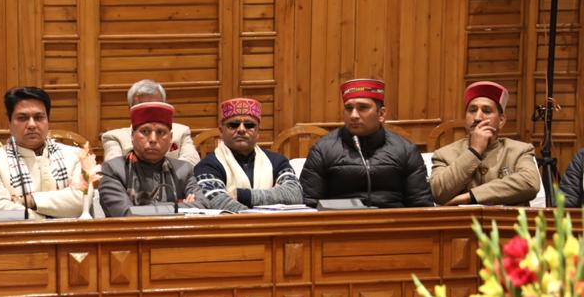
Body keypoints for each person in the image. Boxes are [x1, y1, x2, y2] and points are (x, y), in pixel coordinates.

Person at [299, 78, 434, 208]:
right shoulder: (323, 149)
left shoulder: (405, 150)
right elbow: (308, 205)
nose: (354, 115)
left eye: (362, 108)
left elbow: (421, 205)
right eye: (349, 108)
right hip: (339, 226)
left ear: (381, 114)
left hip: (392, 226)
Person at [0, 86, 85, 220]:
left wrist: (29, 201)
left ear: (48, 121)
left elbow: (81, 202)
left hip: (69, 237)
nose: (32, 125)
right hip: (18, 238)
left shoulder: (76, 156)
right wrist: (51, 218)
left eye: (39, 117)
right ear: (9, 123)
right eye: (22, 118)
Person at [429, 82, 540, 206]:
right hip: (462, 224)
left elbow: (530, 183)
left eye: (486, 111)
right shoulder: (444, 154)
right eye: (472, 110)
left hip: (507, 223)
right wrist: (474, 151)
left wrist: (469, 197)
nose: (477, 117)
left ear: (501, 121)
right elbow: (437, 192)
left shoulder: (519, 150)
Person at [99, 101, 210, 217]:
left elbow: (203, 206)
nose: (153, 139)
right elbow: (125, 213)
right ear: (132, 136)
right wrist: (179, 206)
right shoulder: (113, 170)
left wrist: (143, 209)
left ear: (171, 138)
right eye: (145, 131)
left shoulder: (183, 170)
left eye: (160, 132)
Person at [194, 97, 303, 209]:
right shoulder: (207, 166)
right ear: (221, 131)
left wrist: (241, 195)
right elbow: (217, 202)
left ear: (258, 131)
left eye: (249, 125)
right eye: (233, 125)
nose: (241, 129)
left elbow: (295, 194)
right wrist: (274, 195)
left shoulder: (277, 161)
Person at [101, 79, 199, 165]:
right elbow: (114, 169)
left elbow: (191, 164)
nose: (150, 113)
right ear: (130, 111)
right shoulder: (114, 137)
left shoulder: (181, 132)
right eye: (142, 107)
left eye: (155, 107)